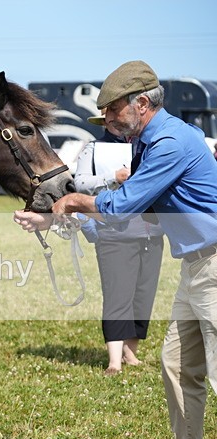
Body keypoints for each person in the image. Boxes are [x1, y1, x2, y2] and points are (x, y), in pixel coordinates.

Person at [17, 60, 217, 439]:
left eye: (110, 111)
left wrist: (72, 200)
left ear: (141, 103)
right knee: (178, 365)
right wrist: (55, 221)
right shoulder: (152, 141)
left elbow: (124, 204)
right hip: (197, 266)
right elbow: (139, 212)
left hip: (214, 266)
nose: (105, 120)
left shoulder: (169, 143)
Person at [74, 115, 164, 376]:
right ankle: (114, 360)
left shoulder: (148, 147)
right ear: (105, 124)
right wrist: (112, 177)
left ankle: (130, 352)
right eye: (110, 121)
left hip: (151, 232)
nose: (116, 124)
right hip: (113, 233)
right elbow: (78, 183)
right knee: (117, 295)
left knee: (143, 294)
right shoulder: (93, 148)